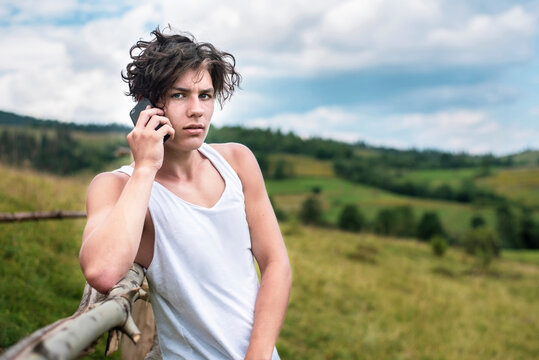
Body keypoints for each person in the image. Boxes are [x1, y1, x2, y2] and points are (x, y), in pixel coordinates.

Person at [79, 27, 292, 360]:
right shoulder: (116, 186)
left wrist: (259, 354)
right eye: (180, 95)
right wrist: (146, 168)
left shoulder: (237, 162)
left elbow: (276, 263)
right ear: (146, 106)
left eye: (205, 95)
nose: (197, 110)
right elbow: (103, 272)